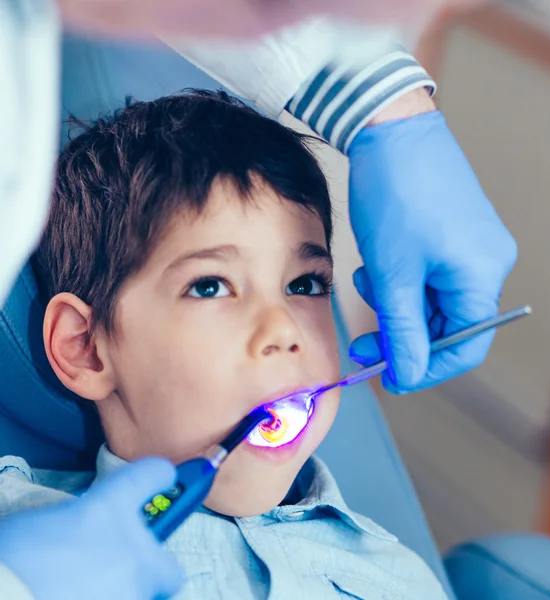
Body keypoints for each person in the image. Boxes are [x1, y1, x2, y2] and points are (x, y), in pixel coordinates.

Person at [0, 1, 515, 597]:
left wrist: (390, 112)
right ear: (85, 346)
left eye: (305, 285)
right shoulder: (26, 532)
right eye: (210, 285)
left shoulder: (395, 575)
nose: (282, 327)